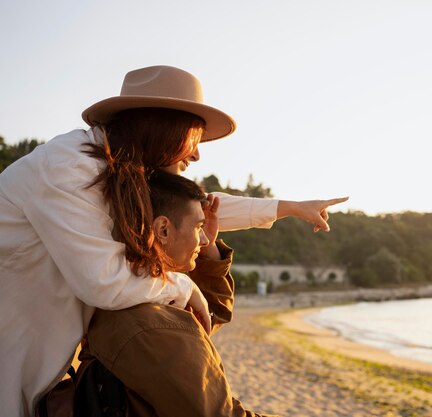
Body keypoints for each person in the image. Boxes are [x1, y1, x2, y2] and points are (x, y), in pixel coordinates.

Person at [0, 65, 346, 417]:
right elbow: (102, 281)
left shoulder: (117, 168)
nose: (196, 155)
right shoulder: (69, 167)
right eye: (194, 138)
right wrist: (184, 287)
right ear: (164, 128)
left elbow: (196, 209)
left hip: (36, 357)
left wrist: (289, 207)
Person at [84, 170, 278, 417]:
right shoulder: (154, 327)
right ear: (163, 229)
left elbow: (207, 316)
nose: (205, 239)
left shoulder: (130, 296)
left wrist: (208, 253)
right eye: (199, 227)